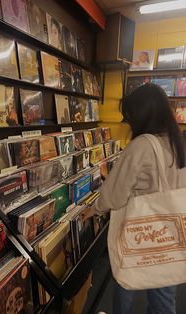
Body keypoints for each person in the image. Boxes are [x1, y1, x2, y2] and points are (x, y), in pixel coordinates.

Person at [84, 83, 186, 314]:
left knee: (126, 278)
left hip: (139, 231)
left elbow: (116, 194)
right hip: (170, 236)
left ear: (143, 114)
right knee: (163, 298)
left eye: (130, 115)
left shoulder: (141, 145)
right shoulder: (176, 141)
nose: (128, 121)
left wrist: (94, 208)